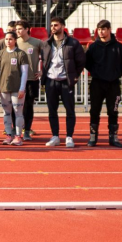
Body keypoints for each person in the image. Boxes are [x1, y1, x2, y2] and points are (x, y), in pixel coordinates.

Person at [40, 16, 86, 148]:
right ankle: (55, 136)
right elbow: (44, 61)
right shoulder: (46, 43)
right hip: (51, 81)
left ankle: (69, 137)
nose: (53, 28)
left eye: (56, 25)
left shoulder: (73, 43)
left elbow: (81, 61)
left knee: (69, 110)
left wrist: (75, 75)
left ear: (62, 26)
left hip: (66, 81)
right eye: (52, 25)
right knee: (52, 110)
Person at [85, 20, 122, 148]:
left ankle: (113, 138)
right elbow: (87, 63)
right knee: (94, 111)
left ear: (109, 30)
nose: (101, 32)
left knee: (113, 111)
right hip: (97, 83)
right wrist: (96, 73)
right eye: (99, 29)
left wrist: (115, 74)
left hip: (113, 84)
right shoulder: (92, 47)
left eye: (103, 29)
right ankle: (93, 138)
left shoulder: (119, 47)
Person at [0, 31, 30, 145]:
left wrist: (22, 88)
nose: (8, 41)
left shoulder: (21, 54)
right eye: (6, 39)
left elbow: (24, 73)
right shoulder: (0, 54)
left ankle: (18, 136)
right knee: (6, 112)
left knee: (18, 112)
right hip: (4, 87)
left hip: (17, 88)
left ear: (15, 40)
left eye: (10, 39)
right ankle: (9, 135)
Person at [13, 20, 44, 140]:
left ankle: (27, 131)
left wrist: (42, 71)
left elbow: (48, 56)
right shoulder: (15, 42)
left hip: (31, 79)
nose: (18, 31)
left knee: (28, 106)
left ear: (27, 29)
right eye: (16, 29)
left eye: (20, 28)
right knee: (15, 106)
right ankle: (15, 131)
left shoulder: (36, 43)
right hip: (17, 80)